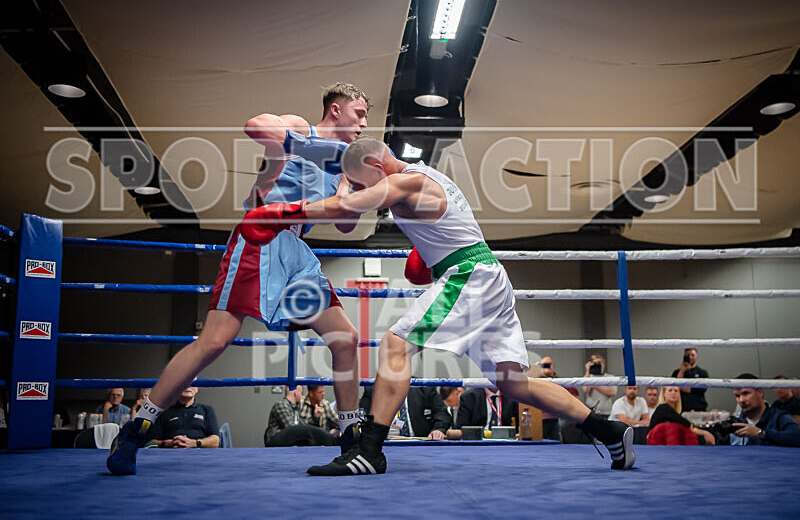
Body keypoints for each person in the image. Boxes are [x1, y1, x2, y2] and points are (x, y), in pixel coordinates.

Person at [241, 136, 636, 475]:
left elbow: (347, 209)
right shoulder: (427, 175)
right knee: (512, 383)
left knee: (395, 344)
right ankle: (609, 431)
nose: (363, 189)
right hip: (486, 274)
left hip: (470, 274)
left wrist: (280, 212)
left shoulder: (406, 181)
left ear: (377, 165)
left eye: (363, 180)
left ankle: (369, 452)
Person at [107, 83, 371, 475]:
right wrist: (321, 150)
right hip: (258, 238)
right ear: (335, 110)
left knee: (346, 338)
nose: (364, 124)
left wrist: (350, 183)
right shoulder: (301, 128)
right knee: (214, 341)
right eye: (359, 114)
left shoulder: (344, 167)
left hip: (295, 251)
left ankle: (349, 434)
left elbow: (346, 226)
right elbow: (256, 126)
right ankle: (138, 425)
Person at [730, 374, 800, 447]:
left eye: (746, 393)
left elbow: (797, 438)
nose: (741, 400)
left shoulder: (779, 418)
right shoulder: (736, 422)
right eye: (737, 396)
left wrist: (760, 433)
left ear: (760, 392)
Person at [360, 385, 450, 440]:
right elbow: (361, 415)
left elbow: (442, 413)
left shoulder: (424, 388)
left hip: (420, 443)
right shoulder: (372, 389)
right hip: (384, 443)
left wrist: (438, 430)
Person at [148, 387, 219, 449]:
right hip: (171, 454)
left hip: (200, 454)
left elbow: (215, 441)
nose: (188, 386)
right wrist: (169, 443)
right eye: (185, 382)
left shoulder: (207, 410)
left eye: (192, 383)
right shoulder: (164, 412)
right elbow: (151, 442)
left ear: (197, 388)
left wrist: (194, 443)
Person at [647, 386, 715, 445]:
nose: (673, 393)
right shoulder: (663, 408)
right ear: (664, 394)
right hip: (654, 442)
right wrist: (705, 433)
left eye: (676, 391)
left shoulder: (676, 411)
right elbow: (686, 424)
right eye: (670, 390)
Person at [537, 356, 579, 441]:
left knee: (557, 444)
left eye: (549, 365)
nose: (547, 367)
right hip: (540, 420)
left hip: (556, 419)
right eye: (545, 365)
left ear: (553, 366)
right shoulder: (536, 381)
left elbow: (574, 395)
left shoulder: (560, 381)